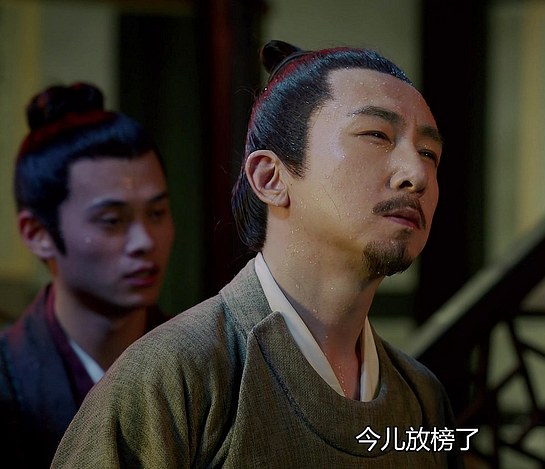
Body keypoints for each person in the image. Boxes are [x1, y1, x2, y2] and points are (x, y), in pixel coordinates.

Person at [52, 41, 462, 467]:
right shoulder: (174, 375)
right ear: (270, 178)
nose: (416, 174)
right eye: (376, 135)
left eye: (429, 153)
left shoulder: (423, 399)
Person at [0, 83, 175, 468]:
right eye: (112, 220)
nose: (144, 241)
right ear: (38, 233)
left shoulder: (205, 363)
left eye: (157, 213)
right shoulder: (7, 385)